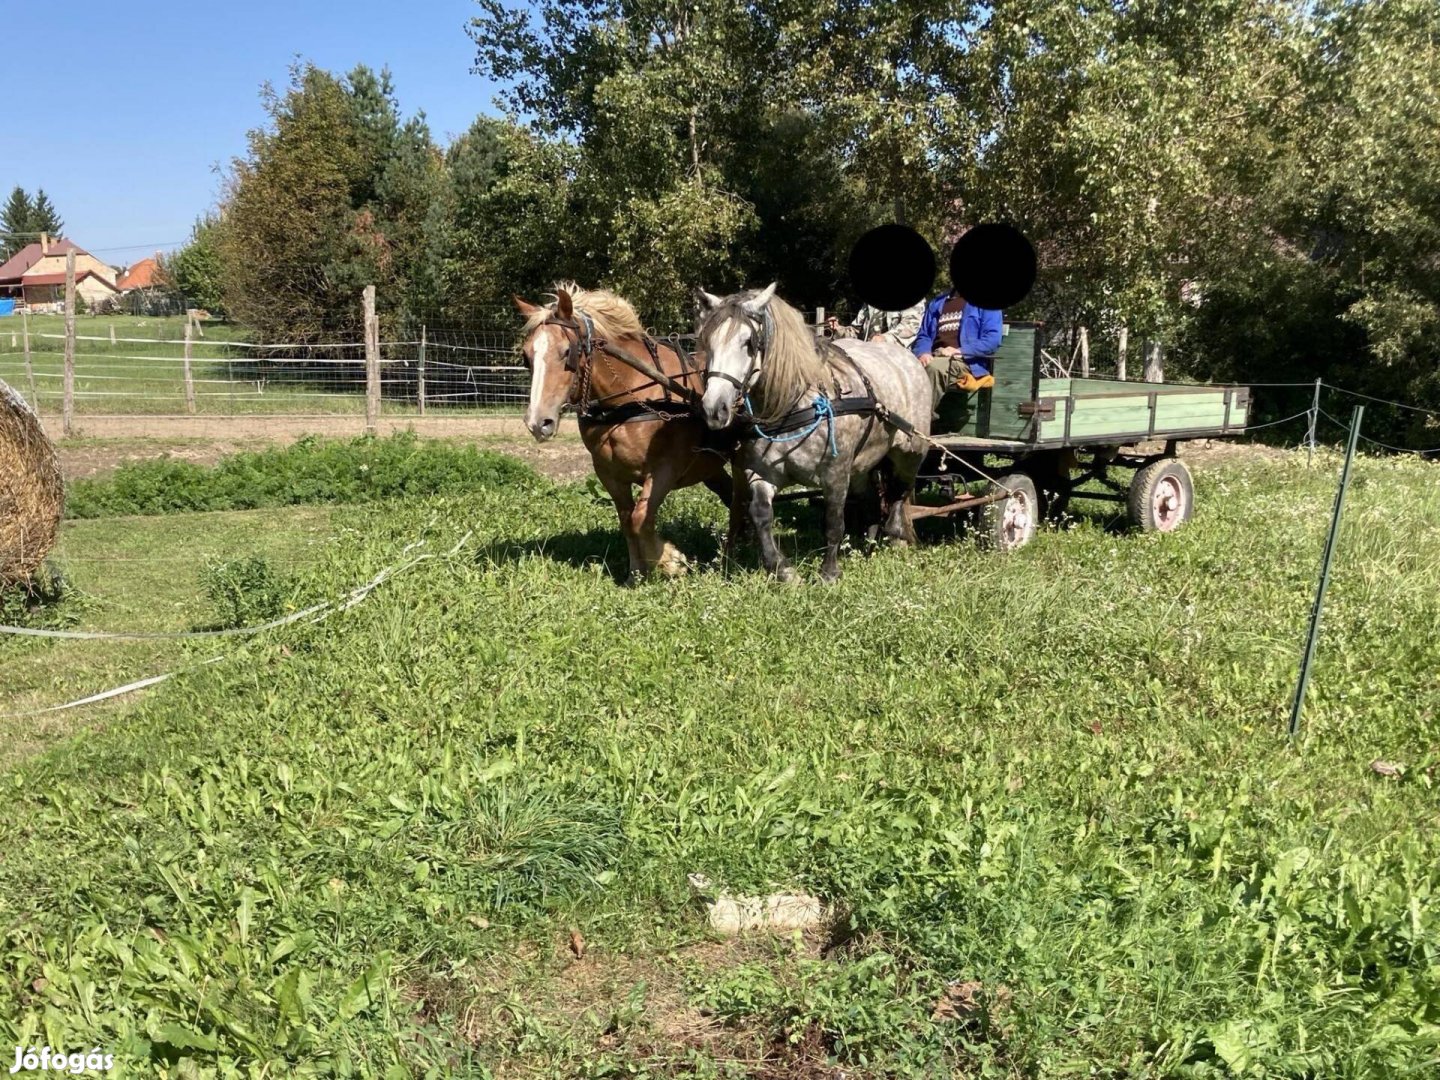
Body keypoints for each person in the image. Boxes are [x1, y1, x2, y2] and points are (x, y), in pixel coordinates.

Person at [912, 288, 1003, 417]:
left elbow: (992, 340)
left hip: (967, 361)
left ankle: (919, 420)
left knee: (934, 368)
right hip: (934, 355)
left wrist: (961, 351)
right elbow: (924, 334)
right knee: (904, 367)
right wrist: (923, 352)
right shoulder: (937, 302)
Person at [826, 298, 926, 350]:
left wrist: (884, 338)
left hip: (897, 357)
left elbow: (909, 328)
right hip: (868, 354)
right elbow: (855, 332)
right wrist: (838, 328)